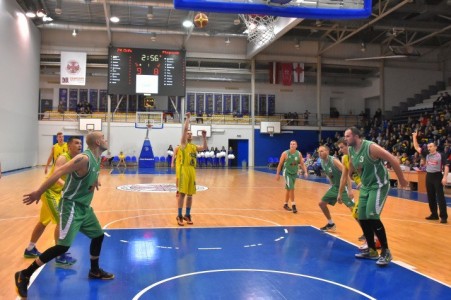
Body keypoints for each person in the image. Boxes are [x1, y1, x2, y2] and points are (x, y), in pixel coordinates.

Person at [15, 131, 114, 299]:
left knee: (98, 235)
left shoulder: (97, 159)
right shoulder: (83, 158)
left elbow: (90, 174)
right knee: (62, 246)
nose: (106, 140)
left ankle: (94, 270)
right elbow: (57, 173)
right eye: (103, 137)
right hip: (71, 206)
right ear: (97, 142)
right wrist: (39, 191)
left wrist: (94, 180)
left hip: (84, 208)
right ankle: (24, 274)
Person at [338, 127, 408, 266]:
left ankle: (386, 251)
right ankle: (372, 250)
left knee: (372, 216)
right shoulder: (351, 150)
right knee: (362, 216)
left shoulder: (371, 147)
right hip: (366, 186)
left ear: (356, 136)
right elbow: (355, 166)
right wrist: (357, 178)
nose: (345, 139)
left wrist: (402, 180)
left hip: (379, 185)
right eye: (345, 136)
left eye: (347, 136)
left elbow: (393, 159)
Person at [23, 136, 82, 265]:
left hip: (57, 193)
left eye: (81, 143)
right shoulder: (63, 158)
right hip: (49, 191)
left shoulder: (76, 159)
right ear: (69, 146)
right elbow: (56, 177)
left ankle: (30, 249)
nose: (79, 145)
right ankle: (60, 255)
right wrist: (66, 186)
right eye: (76, 143)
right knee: (61, 221)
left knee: (43, 221)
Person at [176, 112, 207, 226]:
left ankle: (187, 214)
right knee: (182, 194)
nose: (189, 134)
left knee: (190, 195)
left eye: (190, 134)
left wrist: (204, 137)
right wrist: (188, 119)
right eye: (188, 133)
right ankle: (179, 215)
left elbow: (204, 147)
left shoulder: (194, 147)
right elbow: (184, 130)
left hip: (192, 171)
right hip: (184, 170)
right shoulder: (183, 145)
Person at [412, 131, 448, 223]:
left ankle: (443, 216)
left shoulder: (441, 155)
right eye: (428, 147)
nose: (429, 148)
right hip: (429, 176)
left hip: (437, 176)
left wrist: (444, 177)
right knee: (430, 196)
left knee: (440, 197)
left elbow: (446, 166)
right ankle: (434, 214)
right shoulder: (426, 154)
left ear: (435, 147)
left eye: (431, 146)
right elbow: (416, 147)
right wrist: (414, 137)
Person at [317, 145, 355, 231]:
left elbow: (346, 175)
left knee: (354, 210)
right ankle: (331, 224)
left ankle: (366, 232)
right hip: (335, 187)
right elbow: (330, 175)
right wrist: (331, 186)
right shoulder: (322, 162)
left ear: (327, 151)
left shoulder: (334, 161)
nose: (319, 153)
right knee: (322, 204)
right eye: (319, 152)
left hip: (344, 187)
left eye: (322, 151)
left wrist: (350, 190)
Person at [275, 140, 308, 214]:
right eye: (291, 144)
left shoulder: (298, 154)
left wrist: (305, 172)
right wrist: (277, 174)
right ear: (289, 145)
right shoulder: (285, 153)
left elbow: (302, 164)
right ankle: (293, 205)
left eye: (294, 144)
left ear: (296, 146)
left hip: (294, 173)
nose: (292, 145)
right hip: (287, 172)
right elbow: (280, 164)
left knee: (288, 189)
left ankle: (285, 204)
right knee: (291, 188)